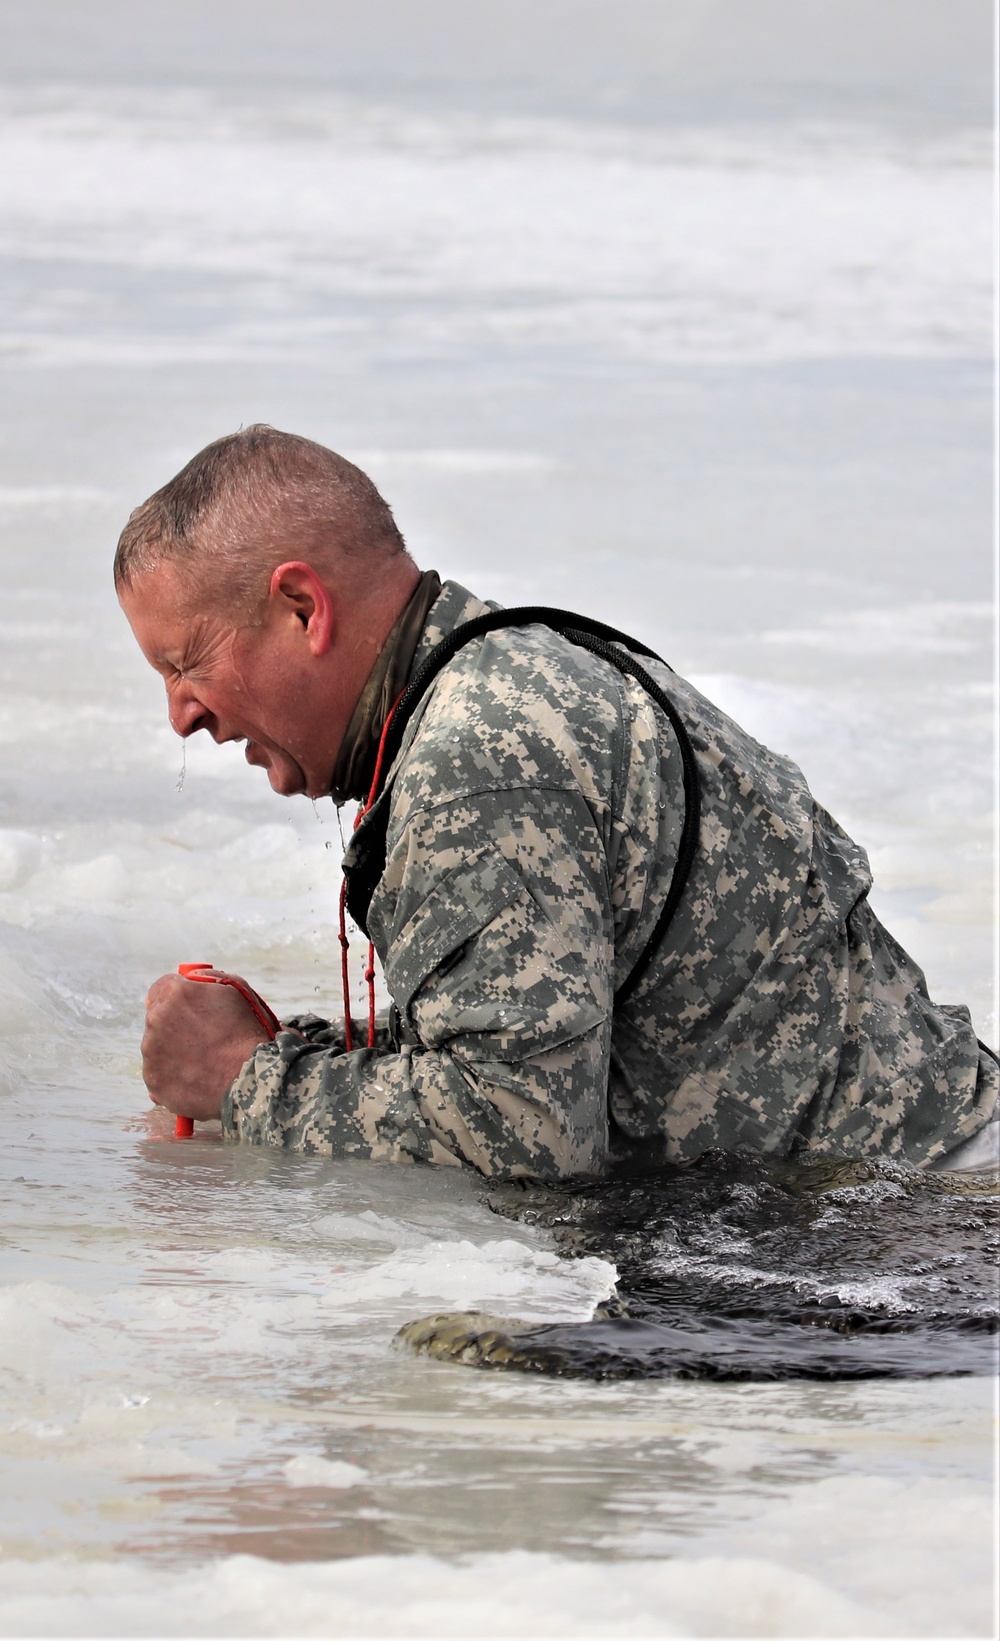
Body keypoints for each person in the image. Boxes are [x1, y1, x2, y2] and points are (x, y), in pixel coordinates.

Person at [116, 426, 999, 1178]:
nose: (180, 714)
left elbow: (523, 1133)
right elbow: (538, 1038)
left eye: (185, 661)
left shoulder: (479, 757)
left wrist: (247, 1080)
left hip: (923, 1231)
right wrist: (297, 1054)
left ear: (303, 608)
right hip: (914, 1193)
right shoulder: (499, 675)